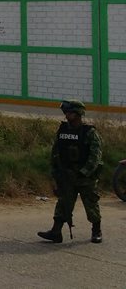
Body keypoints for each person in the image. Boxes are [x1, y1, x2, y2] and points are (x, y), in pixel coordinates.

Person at [38, 99, 103, 244]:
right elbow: (56, 151)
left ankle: (96, 230)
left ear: (78, 114)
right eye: (66, 112)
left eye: (69, 112)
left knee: (91, 204)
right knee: (63, 203)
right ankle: (56, 232)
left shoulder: (89, 132)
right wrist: (55, 171)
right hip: (67, 175)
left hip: (85, 177)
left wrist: (83, 172)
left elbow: (95, 156)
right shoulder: (63, 130)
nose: (66, 115)